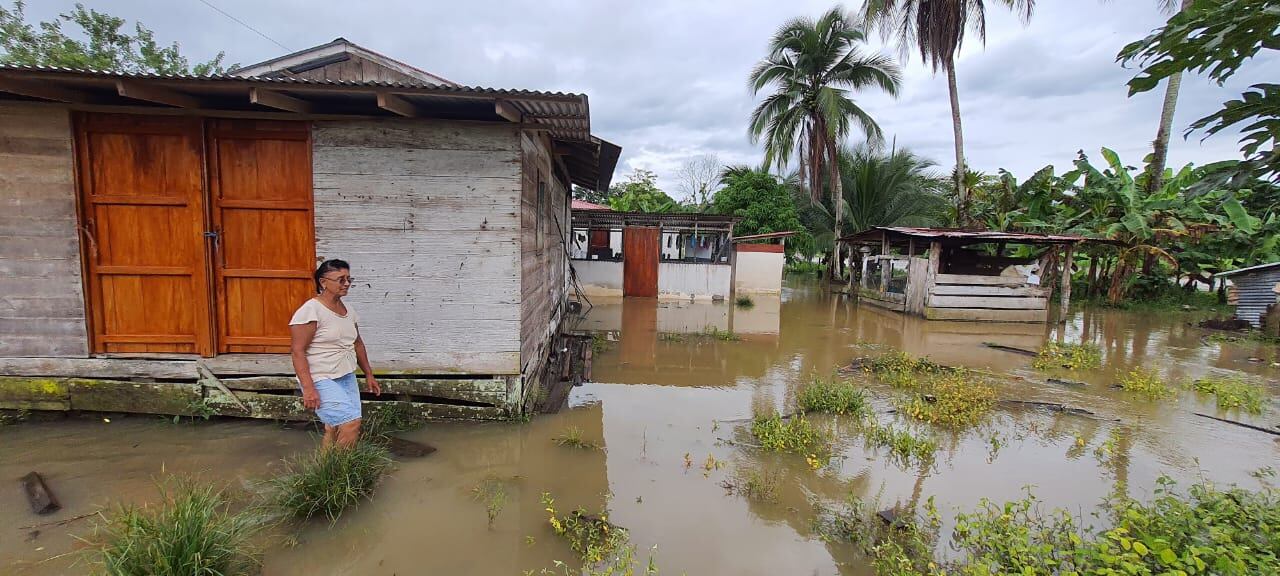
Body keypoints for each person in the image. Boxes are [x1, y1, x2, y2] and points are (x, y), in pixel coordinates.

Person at [289, 259, 380, 449]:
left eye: (348, 279)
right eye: (340, 279)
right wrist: (308, 388)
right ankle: (341, 473)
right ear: (323, 282)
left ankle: (326, 469)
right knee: (350, 422)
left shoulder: (348, 310)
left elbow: (357, 343)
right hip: (320, 376)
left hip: (345, 373)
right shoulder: (310, 311)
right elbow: (297, 351)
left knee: (333, 426)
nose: (346, 283)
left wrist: (369, 374)